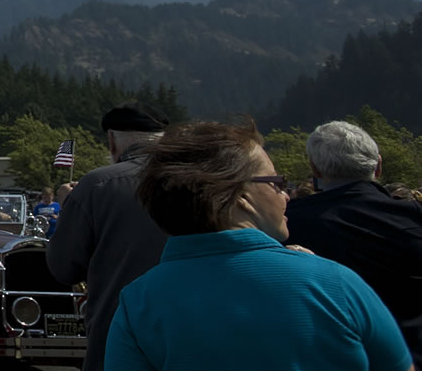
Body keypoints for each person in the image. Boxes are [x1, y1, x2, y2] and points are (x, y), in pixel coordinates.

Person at [104, 120, 412, 371]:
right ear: (241, 197)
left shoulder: (139, 301)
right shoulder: (335, 282)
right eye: (276, 183)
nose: (285, 195)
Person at [283, 121, 422, 363]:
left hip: (330, 358)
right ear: (378, 166)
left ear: (315, 169)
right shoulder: (414, 217)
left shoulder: (288, 223)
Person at [48, 101, 171, 371]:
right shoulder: (203, 181)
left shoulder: (96, 185)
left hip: (119, 329)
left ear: (112, 141)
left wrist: (68, 206)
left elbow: (64, 268)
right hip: (198, 325)